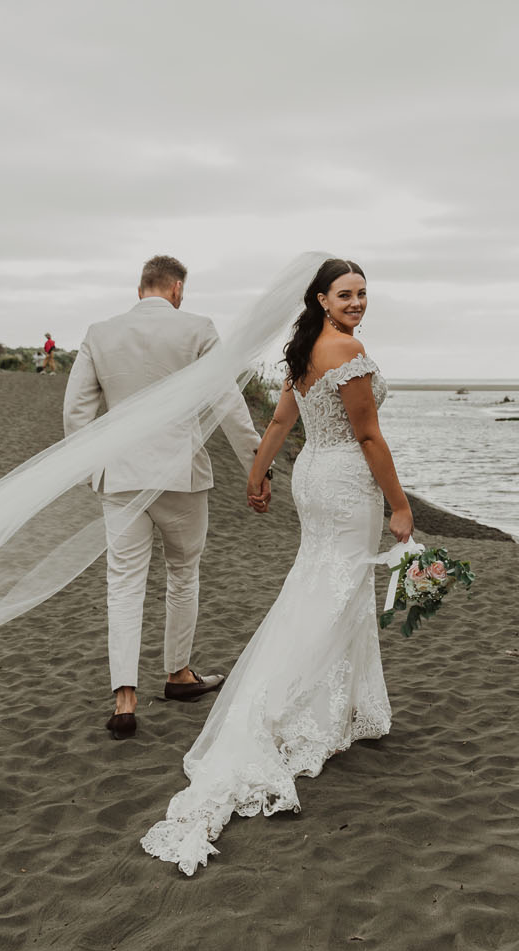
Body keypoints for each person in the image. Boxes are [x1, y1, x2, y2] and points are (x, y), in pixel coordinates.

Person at [141, 258, 413, 875]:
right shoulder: (346, 348)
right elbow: (368, 436)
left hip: (313, 478)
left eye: (363, 295)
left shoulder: (305, 348)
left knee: (319, 585)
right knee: (337, 592)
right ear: (321, 298)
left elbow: (282, 421)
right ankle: (290, 708)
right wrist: (399, 505)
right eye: (346, 294)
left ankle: (334, 707)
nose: (357, 303)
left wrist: (259, 472)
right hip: (345, 480)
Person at [63, 255, 263, 740]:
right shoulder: (197, 328)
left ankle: (124, 699)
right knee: (182, 573)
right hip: (181, 473)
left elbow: (76, 412)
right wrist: (256, 466)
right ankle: (177, 674)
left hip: (120, 476)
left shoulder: (99, 333)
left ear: (140, 290)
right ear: (176, 288)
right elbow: (228, 404)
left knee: (125, 583)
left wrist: (95, 471)